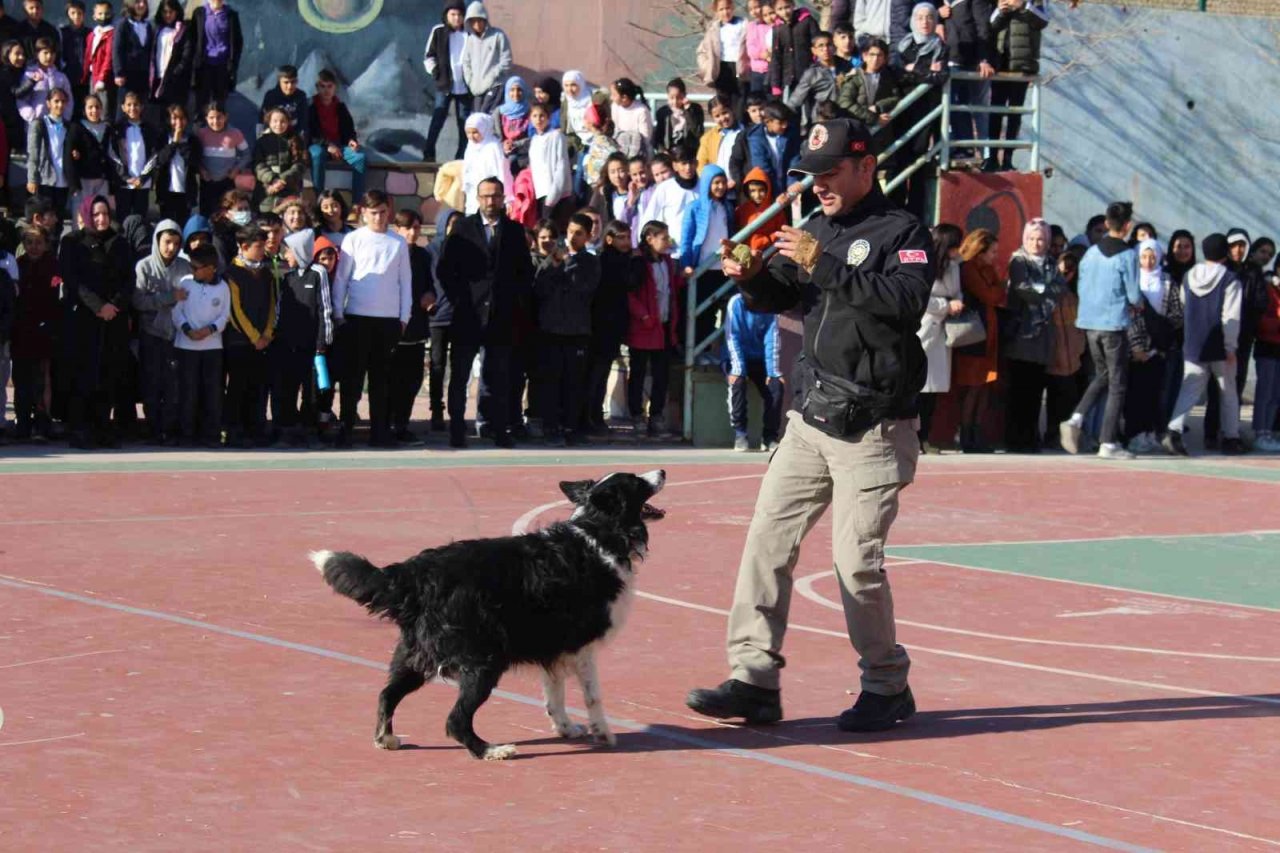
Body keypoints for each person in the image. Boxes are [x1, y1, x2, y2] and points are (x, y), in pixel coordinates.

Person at [686, 118, 932, 731]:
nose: (817, 185)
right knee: (766, 543)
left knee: (856, 564)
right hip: (809, 419)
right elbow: (781, 295)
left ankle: (886, 685)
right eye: (811, 175)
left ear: (865, 167)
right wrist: (749, 277)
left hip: (873, 427)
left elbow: (904, 303)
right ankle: (754, 679)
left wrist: (823, 264)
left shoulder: (904, 231)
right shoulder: (816, 229)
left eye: (829, 173)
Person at [436, 177, 535, 448]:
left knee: (498, 377)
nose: (490, 201)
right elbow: (445, 269)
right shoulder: (463, 228)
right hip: (468, 314)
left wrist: (514, 303)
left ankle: (498, 428)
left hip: (501, 317)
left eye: (495, 196)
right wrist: (460, 299)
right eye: (485, 196)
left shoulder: (514, 231)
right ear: (477, 198)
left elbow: (524, 273)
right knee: (460, 375)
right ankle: (457, 428)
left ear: (503, 198)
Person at [329, 191, 413, 448]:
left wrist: (404, 317)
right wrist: (338, 312)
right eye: (373, 212)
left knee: (381, 379)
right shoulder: (353, 240)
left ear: (389, 212)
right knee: (352, 378)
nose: (378, 217)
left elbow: (405, 282)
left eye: (382, 212)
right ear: (363, 212)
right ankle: (346, 429)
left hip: (387, 320)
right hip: (357, 317)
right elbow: (342, 278)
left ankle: (380, 432)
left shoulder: (398, 243)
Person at [1061, 200, 1141, 459]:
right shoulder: (1127, 255)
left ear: (1107, 223)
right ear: (1127, 226)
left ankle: (1076, 417)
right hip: (1113, 323)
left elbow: (1082, 287)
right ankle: (1108, 442)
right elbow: (1134, 294)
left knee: (1102, 374)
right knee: (1118, 383)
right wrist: (1137, 304)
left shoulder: (1091, 253)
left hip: (1089, 322)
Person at [1163, 234, 1244, 456]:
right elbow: (1231, 317)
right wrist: (1230, 347)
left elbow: (1183, 303)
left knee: (1188, 390)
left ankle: (1173, 431)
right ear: (1225, 253)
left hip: (1194, 344)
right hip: (1219, 346)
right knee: (1228, 393)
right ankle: (1231, 437)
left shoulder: (1189, 276)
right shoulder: (1230, 279)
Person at [62, 195, 133, 448]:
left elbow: (128, 280)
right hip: (85, 318)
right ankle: (81, 428)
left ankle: (104, 426)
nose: (101, 219)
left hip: (113, 318)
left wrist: (114, 305)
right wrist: (98, 306)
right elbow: (73, 281)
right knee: (84, 374)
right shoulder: (72, 242)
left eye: (105, 213)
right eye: (96, 214)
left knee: (109, 373)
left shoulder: (120, 243)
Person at [532, 212, 599, 446]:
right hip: (551, 329)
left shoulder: (590, 261)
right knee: (550, 380)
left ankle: (571, 425)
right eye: (570, 232)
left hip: (576, 331)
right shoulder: (553, 258)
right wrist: (555, 262)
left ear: (588, 236)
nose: (573, 237)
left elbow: (584, 289)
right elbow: (539, 287)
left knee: (573, 382)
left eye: (579, 233)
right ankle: (551, 425)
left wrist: (568, 262)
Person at [1003, 218, 1063, 453]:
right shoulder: (1019, 260)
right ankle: (1015, 439)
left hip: (1043, 336)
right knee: (1018, 389)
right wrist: (1045, 291)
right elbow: (1022, 289)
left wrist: (1043, 290)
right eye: (1031, 238)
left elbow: (1060, 288)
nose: (1036, 243)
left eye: (1040, 239)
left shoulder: (1050, 262)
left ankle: (1030, 438)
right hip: (1022, 333)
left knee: (1036, 390)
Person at [131, 218, 189, 444]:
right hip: (152, 333)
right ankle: (154, 428)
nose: (171, 248)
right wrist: (167, 298)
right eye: (167, 242)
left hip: (177, 333)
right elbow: (138, 301)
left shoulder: (184, 267)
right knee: (152, 384)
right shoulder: (144, 266)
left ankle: (169, 428)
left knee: (174, 385)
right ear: (157, 241)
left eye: (175, 243)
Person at [273, 235, 336, 446]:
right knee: (288, 388)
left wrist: (322, 343)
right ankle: (289, 430)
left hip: (312, 346)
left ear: (299, 251)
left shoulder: (318, 274)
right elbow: (280, 311)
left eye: (289, 251)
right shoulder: (288, 277)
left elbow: (325, 310)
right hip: (289, 345)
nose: (285, 255)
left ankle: (311, 430)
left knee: (313, 392)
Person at [1122, 238, 1181, 454]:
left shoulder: (1167, 282)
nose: (1148, 260)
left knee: (1153, 393)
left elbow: (1177, 314)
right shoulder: (1132, 280)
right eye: (1144, 256)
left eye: (1153, 256)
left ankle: (1148, 433)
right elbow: (1128, 314)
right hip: (1134, 349)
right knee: (1135, 393)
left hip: (1158, 348)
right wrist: (1138, 344)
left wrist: (1160, 338)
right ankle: (1133, 434)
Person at [584, 219, 642, 434]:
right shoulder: (608, 261)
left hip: (612, 324)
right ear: (609, 239)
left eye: (628, 237)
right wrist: (636, 263)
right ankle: (591, 416)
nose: (626, 242)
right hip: (602, 324)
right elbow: (630, 282)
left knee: (601, 372)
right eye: (621, 238)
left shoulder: (619, 259)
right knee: (595, 373)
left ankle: (594, 416)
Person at [627, 220, 683, 435]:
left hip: (664, 327)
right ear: (649, 239)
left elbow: (668, 288)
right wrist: (643, 315)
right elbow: (630, 293)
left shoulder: (667, 262)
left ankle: (656, 416)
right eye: (663, 238)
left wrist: (682, 278)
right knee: (639, 373)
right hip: (644, 326)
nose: (667, 242)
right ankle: (636, 415)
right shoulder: (638, 262)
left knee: (662, 375)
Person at [222, 226, 276, 447]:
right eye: (258, 247)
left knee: (258, 387)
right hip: (239, 341)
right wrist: (254, 336)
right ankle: (234, 430)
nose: (263, 250)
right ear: (244, 247)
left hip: (262, 341)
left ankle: (256, 428)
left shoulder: (266, 272)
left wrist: (268, 333)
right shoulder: (231, 273)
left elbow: (273, 303)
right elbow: (234, 311)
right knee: (238, 387)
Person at [951, 227, 1004, 452]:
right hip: (973, 335)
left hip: (988, 332)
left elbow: (998, 294)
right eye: (992, 252)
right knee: (973, 386)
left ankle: (976, 431)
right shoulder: (970, 269)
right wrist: (997, 287)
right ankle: (966, 434)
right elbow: (991, 295)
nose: (995, 257)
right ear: (980, 251)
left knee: (983, 386)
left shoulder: (987, 270)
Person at [172, 242, 229, 447]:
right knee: (188, 392)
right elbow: (176, 311)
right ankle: (186, 434)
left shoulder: (223, 287)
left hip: (212, 347)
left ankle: (211, 434)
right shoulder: (186, 283)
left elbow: (224, 315)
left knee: (212, 392)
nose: (193, 271)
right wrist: (187, 329)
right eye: (192, 267)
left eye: (197, 268)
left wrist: (210, 330)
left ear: (211, 268)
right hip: (186, 346)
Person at [388, 209, 436, 444]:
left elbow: (430, 284)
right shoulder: (388, 253)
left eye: (417, 227)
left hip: (416, 327)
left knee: (413, 380)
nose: (413, 232)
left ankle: (402, 425)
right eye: (408, 227)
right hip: (392, 326)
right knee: (390, 380)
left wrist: (429, 296)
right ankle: (385, 424)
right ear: (397, 229)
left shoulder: (423, 256)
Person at [917, 222, 963, 451]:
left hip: (944, 331)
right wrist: (946, 304)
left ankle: (926, 436)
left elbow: (957, 290)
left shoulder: (954, 266)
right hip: (925, 327)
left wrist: (957, 302)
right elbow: (921, 297)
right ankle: (915, 438)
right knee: (919, 386)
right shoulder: (925, 264)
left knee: (934, 389)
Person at [10, 225, 59, 441]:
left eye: (38, 242)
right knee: (21, 379)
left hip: (46, 329)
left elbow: (57, 296)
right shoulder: (17, 266)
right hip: (21, 330)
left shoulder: (54, 267)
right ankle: (23, 423)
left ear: (46, 244)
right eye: (29, 242)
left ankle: (43, 421)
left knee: (43, 378)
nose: (33, 247)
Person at [679, 164, 733, 355]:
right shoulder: (694, 208)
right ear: (707, 184)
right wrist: (685, 264)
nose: (720, 187)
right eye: (716, 183)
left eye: (723, 182)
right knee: (701, 314)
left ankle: (713, 352)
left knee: (719, 312)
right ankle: (696, 353)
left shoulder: (726, 208)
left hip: (722, 268)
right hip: (702, 268)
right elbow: (686, 239)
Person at [988, 0, 1048, 172]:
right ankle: (991, 158)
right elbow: (990, 26)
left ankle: (1008, 159)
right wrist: (1001, 11)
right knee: (995, 111)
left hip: (1022, 66)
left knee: (1015, 112)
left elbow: (1043, 21)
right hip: (1000, 63)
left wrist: (1023, 6)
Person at [722, 290, 783, 452]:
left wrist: (772, 371)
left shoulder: (770, 306)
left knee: (776, 385)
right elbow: (732, 337)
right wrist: (738, 370)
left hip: (760, 358)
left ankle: (769, 437)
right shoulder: (735, 303)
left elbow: (772, 338)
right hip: (735, 357)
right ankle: (740, 433)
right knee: (737, 381)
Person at [943, 0, 996, 161]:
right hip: (945, 57)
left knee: (962, 104)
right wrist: (939, 15)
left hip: (965, 58)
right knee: (950, 104)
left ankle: (972, 150)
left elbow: (982, 26)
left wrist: (983, 58)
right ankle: (954, 146)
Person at [1045, 246, 1086, 446]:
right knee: (1054, 399)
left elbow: (1079, 329)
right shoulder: (1052, 295)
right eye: (1063, 271)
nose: (1067, 275)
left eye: (1071, 271)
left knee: (1071, 398)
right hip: (1055, 355)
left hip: (1074, 357)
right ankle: (1051, 435)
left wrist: (1079, 349)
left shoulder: (1076, 295)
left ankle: (1067, 437)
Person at [307, 68, 366, 202]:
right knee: (317, 155)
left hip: (339, 145)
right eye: (322, 86)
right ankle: (320, 200)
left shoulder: (340, 107)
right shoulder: (310, 106)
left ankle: (357, 204)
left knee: (359, 158)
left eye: (329, 86)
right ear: (317, 87)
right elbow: (310, 132)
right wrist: (328, 145)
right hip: (318, 145)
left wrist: (352, 141)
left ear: (335, 88)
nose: (326, 90)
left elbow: (349, 130)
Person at [423, 0, 470, 162]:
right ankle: (429, 153)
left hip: (465, 87)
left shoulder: (469, 35)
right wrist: (436, 73)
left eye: (460, 15)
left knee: (463, 122)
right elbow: (429, 56)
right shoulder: (438, 31)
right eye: (453, 15)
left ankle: (461, 156)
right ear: (446, 15)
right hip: (445, 85)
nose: (456, 18)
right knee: (438, 119)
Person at [425, 206, 458, 432]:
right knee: (438, 365)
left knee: (459, 366)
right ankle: (436, 409)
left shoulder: (466, 250)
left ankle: (456, 412)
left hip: (461, 315)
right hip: (438, 315)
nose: (455, 229)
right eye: (451, 224)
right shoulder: (430, 250)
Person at [836, 38, 906, 132]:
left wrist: (878, 107)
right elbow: (845, 103)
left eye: (879, 55)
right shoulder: (854, 77)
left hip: (881, 131)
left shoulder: (888, 76)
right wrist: (873, 117)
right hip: (857, 128)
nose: (875, 59)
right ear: (864, 56)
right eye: (872, 54)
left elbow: (896, 97)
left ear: (885, 58)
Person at [109, 89, 159, 221]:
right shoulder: (117, 129)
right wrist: (126, 177)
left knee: (140, 218)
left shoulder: (149, 129)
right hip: (124, 183)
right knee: (123, 218)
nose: (133, 108)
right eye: (129, 105)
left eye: (136, 104)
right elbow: (113, 154)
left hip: (143, 183)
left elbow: (153, 155)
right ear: (123, 107)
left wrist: (142, 178)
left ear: (141, 107)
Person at [787, 30, 851, 129]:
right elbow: (795, 100)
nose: (825, 49)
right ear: (814, 50)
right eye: (820, 46)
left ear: (834, 46)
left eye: (828, 45)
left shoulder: (847, 66)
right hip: (822, 120)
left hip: (846, 117)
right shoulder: (812, 73)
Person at [195, 100, 249, 216]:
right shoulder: (201, 134)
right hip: (207, 182)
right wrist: (202, 170)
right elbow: (195, 156)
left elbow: (246, 155)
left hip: (227, 182)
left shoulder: (235, 133)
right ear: (206, 118)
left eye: (219, 117)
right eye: (211, 118)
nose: (215, 121)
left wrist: (236, 169)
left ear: (226, 117)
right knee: (207, 214)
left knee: (227, 213)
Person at [696, 0, 748, 113]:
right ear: (716, 11)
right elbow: (702, 51)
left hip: (740, 68)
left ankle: (740, 128)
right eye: (721, 9)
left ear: (733, 8)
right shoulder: (713, 29)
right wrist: (706, 67)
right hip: (722, 69)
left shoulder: (743, 24)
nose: (725, 12)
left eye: (728, 8)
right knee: (724, 105)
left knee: (740, 104)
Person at [151, 103, 200, 223]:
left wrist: (182, 145)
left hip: (186, 192)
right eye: (174, 118)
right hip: (166, 191)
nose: (178, 122)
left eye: (182, 118)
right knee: (167, 224)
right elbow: (160, 160)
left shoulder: (192, 140)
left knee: (183, 223)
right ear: (168, 120)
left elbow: (195, 162)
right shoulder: (162, 138)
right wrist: (174, 143)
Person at [26, 87, 72, 213]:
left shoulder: (69, 126)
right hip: (45, 179)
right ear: (48, 103)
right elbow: (33, 152)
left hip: (63, 180)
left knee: (58, 219)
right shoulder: (39, 124)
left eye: (63, 101)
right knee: (45, 218)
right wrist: (32, 178)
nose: (60, 105)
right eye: (56, 101)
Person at [460, 2, 511, 114]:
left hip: (494, 85)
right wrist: (470, 80)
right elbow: (466, 62)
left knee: (487, 115)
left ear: (485, 19)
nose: (477, 24)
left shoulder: (498, 35)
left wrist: (493, 75)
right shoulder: (470, 40)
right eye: (473, 21)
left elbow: (506, 60)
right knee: (477, 117)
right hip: (476, 88)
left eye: (480, 20)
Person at [190, 0, 242, 110]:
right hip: (204, 65)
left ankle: (219, 125)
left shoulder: (231, 15)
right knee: (201, 103)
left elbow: (237, 41)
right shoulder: (200, 13)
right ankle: (200, 126)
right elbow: (193, 38)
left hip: (223, 66)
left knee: (219, 104)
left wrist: (233, 63)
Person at [253, 106, 305, 213]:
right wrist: (272, 179)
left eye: (282, 121)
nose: (278, 125)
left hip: (289, 187)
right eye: (275, 121)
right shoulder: (261, 142)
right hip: (267, 188)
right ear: (269, 122)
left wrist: (282, 180)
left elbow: (299, 165)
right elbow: (258, 165)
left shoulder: (295, 140)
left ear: (288, 122)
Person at [460, 112, 512, 215]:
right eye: (468, 133)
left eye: (475, 132)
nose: (471, 136)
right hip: (473, 197)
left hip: (491, 197)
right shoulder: (470, 148)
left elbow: (502, 173)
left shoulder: (493, 147)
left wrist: (506, 199)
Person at [527, 102, 572, 218]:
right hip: (541, 193)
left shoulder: (556, 136)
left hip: (557, 195)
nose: (538, 120)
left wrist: (553, 196)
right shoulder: (534, 140)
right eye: (535, 116)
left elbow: (561, 166)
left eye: (542, 116)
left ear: (548, 117)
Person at [768, 0, 820, 99]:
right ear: (775, 10)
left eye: (787, 7)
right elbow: (776, 56)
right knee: (790, 109)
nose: (785, 12)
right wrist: (775, 84)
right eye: (780, 9)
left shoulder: (807, 21)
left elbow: (818, 44)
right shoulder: (777, 29)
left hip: (808, 75)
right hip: (788, 79)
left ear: (793, 5)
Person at [149, 0, 193, 116]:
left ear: (177, 12)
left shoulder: (184, 30)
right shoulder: (157, 29)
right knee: (161, 114)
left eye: (171, 12)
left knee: (176, 114)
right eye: (165, 12)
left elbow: (186, 56)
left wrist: (175, 72)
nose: (168, 15)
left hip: (175, 80)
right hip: (158, 79)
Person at [1254, 265, 1280, 452]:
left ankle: (1269, 431)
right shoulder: (1269, 288)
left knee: (1276, 394)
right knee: (1265, 392)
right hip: (1268, 347)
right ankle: (1260, 431)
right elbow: (1262, 321)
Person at [17, 36, 73, 122]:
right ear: (37, 54)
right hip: (35, 122)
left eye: (52, 53)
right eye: (45, 53)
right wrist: (31, 115)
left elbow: (69, 100)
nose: (49, 56)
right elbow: (21, 100)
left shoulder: (61, 77)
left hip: (57, 123)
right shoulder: (29, 75)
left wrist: (65, 118)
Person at [110, 0, 150, 114]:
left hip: (143, 75)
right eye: (137, 2)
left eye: (144, 2)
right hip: (127, 76)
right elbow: (117, 49)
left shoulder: (148, 26)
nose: (141, 5)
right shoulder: (123, 24)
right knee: (125, 109)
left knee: (141, 109)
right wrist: (118, 73)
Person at [734, 166, 784, 254]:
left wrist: (767, 240)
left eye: (761, 190)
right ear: (747, 191)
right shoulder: (741, 210)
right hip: (748, 255)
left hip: (770, 253)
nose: (757, 195)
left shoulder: (775, 209)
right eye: (752, 191)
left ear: (768, 189)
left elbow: (782, 231)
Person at [652, 77, 705, 155]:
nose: (675, 101)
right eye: (672, 98)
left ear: (684, 95)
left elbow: (697, 132)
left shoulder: (695, 109)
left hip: (689, 152)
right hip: (669, 152)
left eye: (679, 97)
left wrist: (688, 110)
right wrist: (663, 151)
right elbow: (658, 136)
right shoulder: (663, 112)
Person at [696, 95, 742, 178]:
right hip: (718, 185)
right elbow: (701, 164)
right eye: (717, 116)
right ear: (712, 118)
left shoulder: (744, 132)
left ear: (732, 110)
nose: (723, 118)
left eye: (725, 113)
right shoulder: (708, 138)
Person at [83, 0, 114, 118]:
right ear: (94, 16)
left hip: (105, 79)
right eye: (100, 14)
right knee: (92, 107)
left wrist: (102, 78)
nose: (103, 17)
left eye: (106, 14)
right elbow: (88, 57)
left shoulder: (112, 34)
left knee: (104, 110)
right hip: (92, 76)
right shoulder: (92, 35)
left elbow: (109, 57)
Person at [260, 64, 308, 140]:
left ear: (297, 81)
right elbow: (263, 120)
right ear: (279, 82)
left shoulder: (301, 96)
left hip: (293, 137)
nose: (290, 86)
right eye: (286, 82)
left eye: (293, 82)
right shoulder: (271, 96)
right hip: (273, 136)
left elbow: (303, 121)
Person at [609, 77, 652, 160]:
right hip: (621, 150)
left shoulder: (641, 111)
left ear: (624, 97)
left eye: (614, 95)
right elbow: (616, 129)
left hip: (640, 153)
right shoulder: (615, 107)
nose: (611, 98)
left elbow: (646, 137)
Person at [58, 0, 88, 113]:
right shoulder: (62, 32)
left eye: (79, 13)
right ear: (68, 15)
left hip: (85, 78)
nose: (76, 16)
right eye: (73, 13)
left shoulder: (90, 33)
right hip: (67, 76)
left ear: (84, 15)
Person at [559, 69, 595, 151]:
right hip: (578, 144)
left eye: (573, 85)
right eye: (566, 85)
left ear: (581, 84)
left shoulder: (592, 99)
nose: (569, 89)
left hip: (595, 141)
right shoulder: (566, 100)